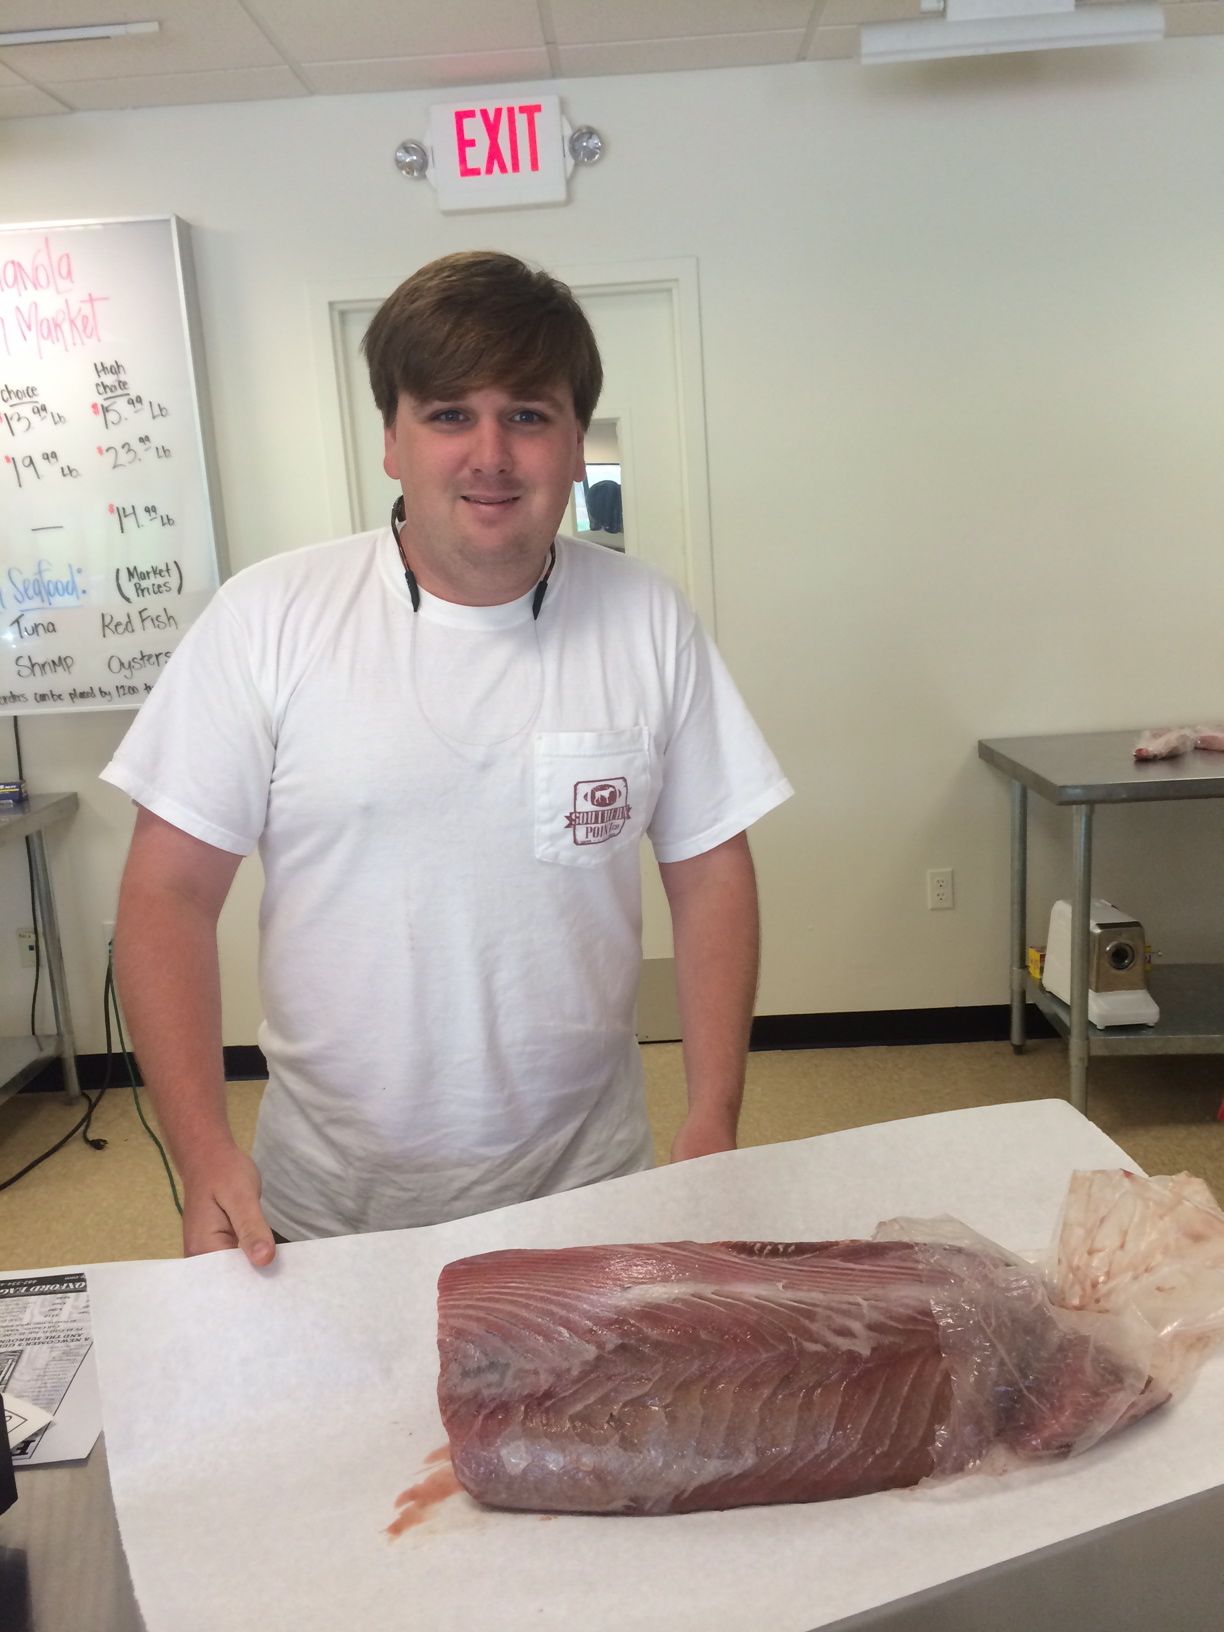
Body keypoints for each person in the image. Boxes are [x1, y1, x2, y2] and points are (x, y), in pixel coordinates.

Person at [103, 251, 792, 1268]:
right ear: (391, 439)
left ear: (573, 440)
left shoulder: (646, 616)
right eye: (448, 414)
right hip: (325, 1206)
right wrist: (204, 1154)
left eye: (527, 414)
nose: (490, 455)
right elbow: (166, 895)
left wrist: (712, 1119)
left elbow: (710, 871)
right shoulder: (268, 619)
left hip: (591, 1189)